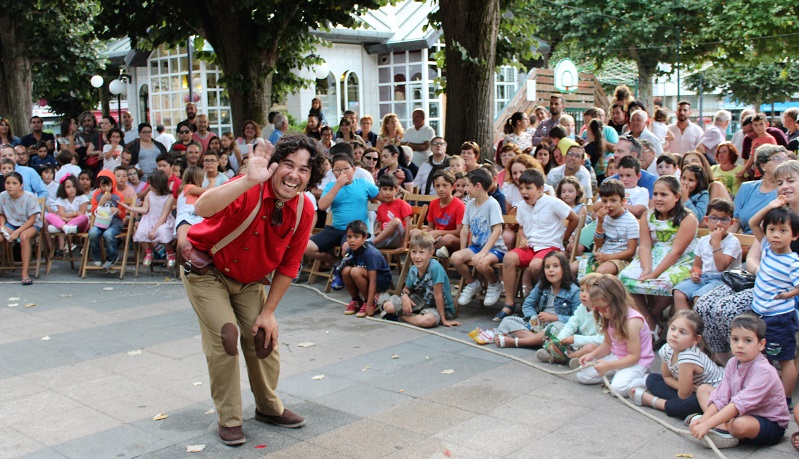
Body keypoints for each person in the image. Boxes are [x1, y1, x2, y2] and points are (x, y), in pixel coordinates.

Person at [182, 135, 324, 446]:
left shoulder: (303, 211)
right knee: (226, 336)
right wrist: (247, 179)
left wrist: (269, 312)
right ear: (274, 165)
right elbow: (204, 207)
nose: (294, 175)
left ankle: (269, 408)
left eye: (303, 169)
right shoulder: (249, 187)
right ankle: (230, 418)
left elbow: (289, 265)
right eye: (288, 164)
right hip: (207, 272)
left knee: (263, 336)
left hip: (248, 282)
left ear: (311, 175)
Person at [688, 314, 789, 449]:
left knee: (739, 425)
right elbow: (721, 396)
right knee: (703, 390)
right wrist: (705, 418)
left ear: (761, 344)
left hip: (767, 422)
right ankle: (721, 426)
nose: (740, 345)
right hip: (740, 411)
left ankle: (725, 429)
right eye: (735, 339)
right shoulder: (732, 362)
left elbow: (739, 403)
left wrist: (707, 424)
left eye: (747, 340)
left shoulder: (764, 370)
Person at [618, 176, 698, 333]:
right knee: (625, 278)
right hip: (653, 256)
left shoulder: (688, 218)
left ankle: (651, 316)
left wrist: (654, 273)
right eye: (655, 194)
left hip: (679, 260)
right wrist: (647, 269)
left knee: (667, 282)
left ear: (676, 196)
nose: (658, 199)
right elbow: (646, 246)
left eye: (664, 195)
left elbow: (677, 251)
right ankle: (651, 326)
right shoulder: (648, 215)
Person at [497, 169, 578, 318]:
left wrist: (564, 238)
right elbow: (521, 227)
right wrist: (522, 236)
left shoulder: (553, 203)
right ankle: (509, 303)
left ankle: (541, 300)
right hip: (530, 246)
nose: (523, 191)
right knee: (508, 258)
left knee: (535, 266)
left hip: (549, 246)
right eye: (521, 188)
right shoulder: (521, 206)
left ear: (540, 189)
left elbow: (575, 218)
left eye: (528, 188)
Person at [748, 205, 799, 404]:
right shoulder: (767, 248)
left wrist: (789, 294)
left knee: (784, 359)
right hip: (760, 313)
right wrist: (772, 206)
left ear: (794, 236)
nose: (776, 235)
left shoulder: (792, 261)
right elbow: (753, 222)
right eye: (771, 229)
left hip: (779, 318)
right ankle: (766, 393)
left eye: (783, 230)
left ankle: (785, 400)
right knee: (764, 356)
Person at [630, 310, 724, 420]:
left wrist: (689, 389)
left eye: (682, 332)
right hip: (690, 389)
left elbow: (684, 395)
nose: (674, 334)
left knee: (689, 403)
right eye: (673, 329)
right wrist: (692, 388)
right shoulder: (667, 348)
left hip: (712, 394)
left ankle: (655, 402)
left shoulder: (688, 357)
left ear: (696, 339)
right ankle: (683, 408)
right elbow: (667, 377)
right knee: (652, 379)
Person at [576, 275, 654, 396]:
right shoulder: (607, 315)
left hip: (636, 362)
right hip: (617, 357)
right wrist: (591, 355)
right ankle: (619, 375)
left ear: (615, 302)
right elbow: (607, 344)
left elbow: (634, 356)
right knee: (582, 375)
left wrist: (608, 366)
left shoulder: (632, 321)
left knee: (618, 389)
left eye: (603, 308)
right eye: (597, 308)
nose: (600, 311)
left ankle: (646, 380)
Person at [305, 153, 379, 267]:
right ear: (333, 172)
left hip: (356, 230)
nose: (342, 173)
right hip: (336, 229)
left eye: (345, 169)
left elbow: (383, 198)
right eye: (337, 170)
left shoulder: (363, 184)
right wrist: (337, 186)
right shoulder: (331, 186)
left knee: (347, 248)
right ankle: (337, 263)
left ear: (353, 169)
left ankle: (344, 273)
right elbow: (322, 206)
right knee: (307, 247)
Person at [495, 251, 580, 348]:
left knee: (556, 327)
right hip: (540, 326)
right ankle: (540, 342)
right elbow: (528, 304)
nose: (551, 270)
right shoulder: (542, 285)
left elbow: (578, 319)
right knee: (508, 320)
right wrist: (533, 318)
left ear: (564, 269)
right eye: (547, 267)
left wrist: (555, 318)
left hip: (559, 325)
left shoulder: (574, 291)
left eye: (555, 266)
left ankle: (516, 342)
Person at [380, 232, 461, 328]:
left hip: (438, 306)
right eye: (414, 252)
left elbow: (438, 295)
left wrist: (444, 320)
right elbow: (406, 289)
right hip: (419, 300)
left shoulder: (435, 267)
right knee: (388, 307)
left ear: (431, 253)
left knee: (427, 321)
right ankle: (411, 316)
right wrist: (404, 296)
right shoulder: (413, 270)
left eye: (421, 252)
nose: (417, 257)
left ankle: (401, 317)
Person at [673, 198, 741, 312]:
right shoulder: (703, 240)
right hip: (704, 277)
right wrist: (695, 272)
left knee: (700, 298)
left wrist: (716, 243)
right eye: (714, 218)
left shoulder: (732, 242)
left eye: (724, 219)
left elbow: (721, 266)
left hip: (723, 280)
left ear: (731, 222)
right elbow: (697, 265)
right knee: (679, 293)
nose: (718, 223)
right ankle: (685, 324)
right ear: (706, 220)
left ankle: (699, 328)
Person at [451, 168, 507, 307]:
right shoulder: (470, 204)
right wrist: (463, 251)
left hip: (494, 248)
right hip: (476, 246)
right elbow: (465, 230)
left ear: (478, 186)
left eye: (467, 185)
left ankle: (494, 284)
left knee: (481, 263)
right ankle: (472, 283)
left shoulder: (492, 204)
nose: (465, 189)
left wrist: (483, 252)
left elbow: (497, 230)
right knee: (456, 258)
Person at [536, 273, 604, 366]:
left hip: (599, 346)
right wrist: (560, 339)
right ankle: (571, 357)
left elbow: (601, 339)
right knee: (556, 333)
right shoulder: (581, 308)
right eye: (582, 290)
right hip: (581, 343)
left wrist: (575, 339)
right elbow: (571, 324)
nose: (583, 295)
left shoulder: (602, 312)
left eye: (588, 292)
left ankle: (562, 358)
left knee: (590, 348)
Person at [575, 179, 639, 277]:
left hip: (620, 259)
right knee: (573, 268)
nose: (608, 205)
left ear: (623, 200)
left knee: (600, 271)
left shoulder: (630, 221)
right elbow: (598, 244)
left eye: (613, 200)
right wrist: (600, 223)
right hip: (602, 255)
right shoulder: (604, 217)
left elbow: (631, 251)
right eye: (605, 201)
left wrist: (609, 257)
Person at [122, 170, 177, 267]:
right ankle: (148, 252)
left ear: (158, 184)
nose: (149, 187)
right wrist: (129, 208)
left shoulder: (169, 197)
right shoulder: (149, 194)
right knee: (141, 231)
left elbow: (164, 215)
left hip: (163, 221)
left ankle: (170, 252)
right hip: (149, 218)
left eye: (151, 184)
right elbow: (144, 209)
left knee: (163, 231)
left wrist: (154, 229)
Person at [339, 220, 393, 317]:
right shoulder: (350, 250)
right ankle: (356, 300)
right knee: (346, 270)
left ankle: (369, 301)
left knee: (355, 271)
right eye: (349, 237)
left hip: (381, 280)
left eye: (356, 237)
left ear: (364, 238)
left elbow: (373, 281)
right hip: (366, 275)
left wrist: (369, 304)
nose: (352, 240)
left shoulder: (371, 253)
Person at [731, 145, 787, 234]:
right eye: (777, 159)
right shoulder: (746, 188)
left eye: (785, 159)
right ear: (763, 166)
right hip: (746, 241)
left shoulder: (787, 190)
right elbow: (735, 222)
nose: (783, 163)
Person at [0, 172, 42, 285]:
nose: (10, 186)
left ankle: (25, 273)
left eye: (14, 183)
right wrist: (3, 226)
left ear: (21, 185)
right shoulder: (2, 196)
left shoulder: (29, 197)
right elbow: (1, 214)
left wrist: (17, 232)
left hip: (29, 224)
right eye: (7, 183)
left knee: (24, 236)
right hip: (11, 223)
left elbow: (32, 219)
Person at [414, 169, 464, 258]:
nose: (441, 189)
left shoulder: (460, 205)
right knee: (415, 232)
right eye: (437, 186)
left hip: (453, 241)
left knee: (448, 238)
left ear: (453, 186)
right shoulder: (433, 204)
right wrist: (426, 233)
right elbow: (430, 227)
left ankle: (426, 250)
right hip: (437, 239)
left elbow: (459, 232)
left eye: (445, 185)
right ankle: (433, 250)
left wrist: (438, 232)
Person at [88, 170, 127, 272]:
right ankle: (97, 257)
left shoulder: (118, 196)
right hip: (101, 222)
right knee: (92, 233)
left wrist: (118, 211)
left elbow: (123, 214)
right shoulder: (96, 195)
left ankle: (112, 257)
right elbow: (93, 211)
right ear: (99, 185)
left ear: (113, 184)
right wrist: (101, 202)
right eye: (103, 186)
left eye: (108, 186)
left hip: (115, 223)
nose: (106, 189)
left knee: (108, 234)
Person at [174, 166, 206, 250]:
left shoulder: (197, 192)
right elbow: (208, 191)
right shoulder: (187, 187)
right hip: (186, 218)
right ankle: (180, 261)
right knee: (183, 243)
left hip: (198, 218)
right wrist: (213, 181)